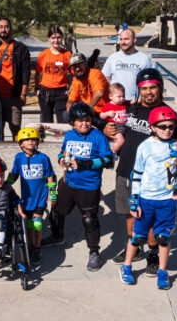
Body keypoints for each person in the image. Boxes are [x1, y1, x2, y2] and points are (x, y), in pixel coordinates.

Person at [103, 68, 177, 276]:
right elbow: (113, 128)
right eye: (144, 88)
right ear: (139, 89)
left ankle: (152, 252)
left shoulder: (169, 114)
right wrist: (106, 130)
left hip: (155, 179)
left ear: (159, 88)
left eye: (153, 87)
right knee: (130, 214)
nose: (148, 92)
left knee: (150, 218)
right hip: (127, 171)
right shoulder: (130, 110)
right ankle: (136, 247)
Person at [120, 106, 177, 289]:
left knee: (163, 237)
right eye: (162, 126)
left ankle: (162, 271)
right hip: (146, 199)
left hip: (167, 201)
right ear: (153, 127)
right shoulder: (145, 146)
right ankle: (126, 266)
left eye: (171, 126)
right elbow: (136, 174)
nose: (167, 130)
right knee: (138, 236)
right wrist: (134, 202)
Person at [46, 103, 113, 271]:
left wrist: (85, 163)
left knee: (89, 219)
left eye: (88, 120)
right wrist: (61, 158)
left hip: (89, 186)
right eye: (80, 120)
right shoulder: (69, 135)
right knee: (55, 208)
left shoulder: (98, 137)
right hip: (68, 182)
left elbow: (108, 160)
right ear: (73, 122)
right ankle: (57, 236)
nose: (85, 123)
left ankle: (94, 252)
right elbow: (63, 151)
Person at [7, 127, 56, 265]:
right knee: (28, 224)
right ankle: (29, 245)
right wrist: (5, 186)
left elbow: (50, 177)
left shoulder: (43, 158)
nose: (30, 141)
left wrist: (53, 195)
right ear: (21, 143)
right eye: (27, 139)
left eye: (33, 139)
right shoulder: (19, 157)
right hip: (26, 199)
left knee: (37, 224)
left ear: (37, 142)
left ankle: (37, 247)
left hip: (40, 197)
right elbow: (14, 174)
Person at [0, 18, 31, 140]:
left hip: (14, 97)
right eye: (0, 27)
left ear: (10, 28)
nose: (3, 29)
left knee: (16, 130)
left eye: (6, 26)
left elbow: (26, 72)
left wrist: (23, 94)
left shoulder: (20, 48)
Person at [102, 28, 152, 101]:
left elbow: (150, 82)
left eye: (126, 39)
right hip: (117, 104)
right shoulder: (112, 58)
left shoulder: (144, 59)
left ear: (134, 39)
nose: (123, 42)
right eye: (121, 39)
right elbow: (106, 79)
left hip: (136, 103)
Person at [35, 27, 72, 123]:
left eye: (58, 37)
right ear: (48, 39)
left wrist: (71, 87)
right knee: (46, 122)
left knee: (63, 122)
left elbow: (74, 74)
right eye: (53, 38)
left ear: (62, 38)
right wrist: (37, 88)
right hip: (45, 92)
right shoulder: (43, 55)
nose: (56, 40)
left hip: (61, 92)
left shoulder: (67, 54)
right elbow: (38, 73)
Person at [99, 83, 130, 158]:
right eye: (119, 97)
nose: (122, 99)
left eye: (123, 96)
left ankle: (117, 152)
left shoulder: (124, 103)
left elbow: (132, 101)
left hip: (124, 126)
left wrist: (138, 100)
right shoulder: (108, 105)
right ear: (111, 96)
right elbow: (101, 115)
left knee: (125, 141)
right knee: (120, 141)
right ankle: (112, 153)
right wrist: (107, 113)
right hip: (115, 126)